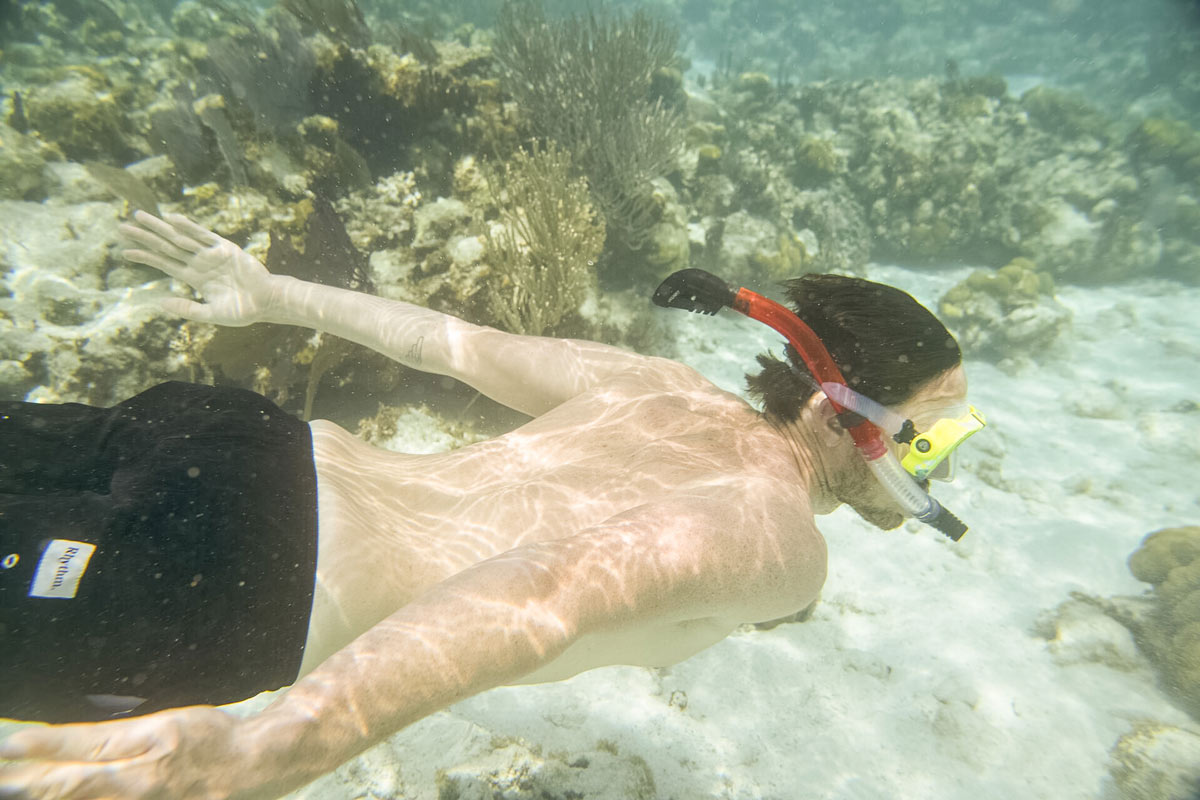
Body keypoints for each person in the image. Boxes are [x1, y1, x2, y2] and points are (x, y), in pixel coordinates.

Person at [0, 211, 982, 800]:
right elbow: (547, 588)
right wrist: (269, 746)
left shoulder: (661, 380)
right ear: (841, 407)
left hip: (237, 444)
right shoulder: (779, 532)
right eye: (929, 433)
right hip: (228, 580)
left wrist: (269, 292)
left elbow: (450, 343)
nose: (937, 465)